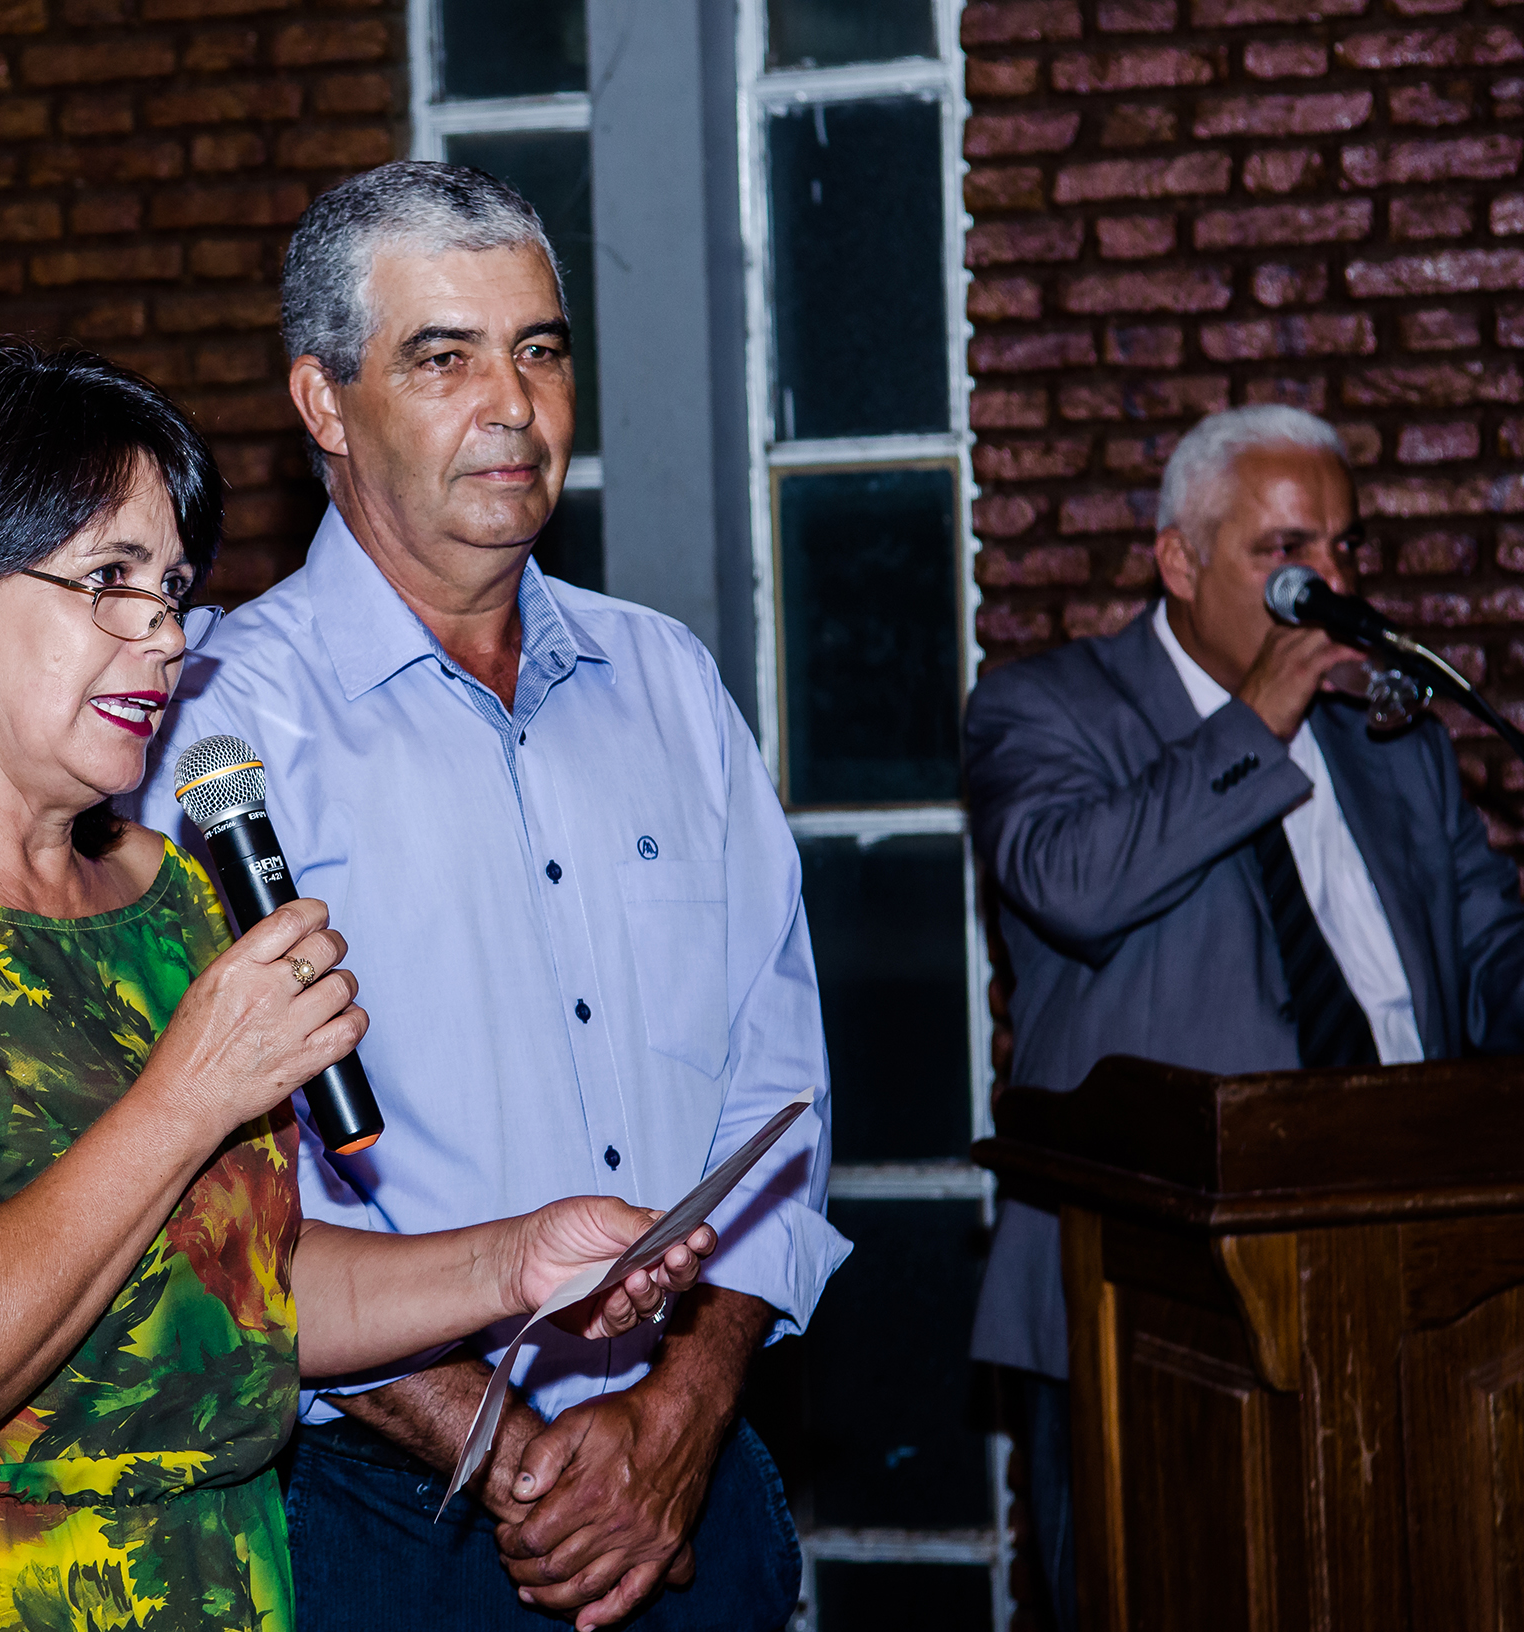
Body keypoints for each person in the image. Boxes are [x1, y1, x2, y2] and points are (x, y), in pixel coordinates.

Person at [0, 341, 721, 1632]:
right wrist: (189, 1091)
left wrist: (513, 1262)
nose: (163, 635)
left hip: (218, 1586)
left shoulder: (165, 893)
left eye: (171, 590)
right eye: (109, 581)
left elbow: (242, 1287)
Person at [125, 162, 847, 1632]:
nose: (512, 405)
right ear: (325, 405)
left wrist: (680, 1414)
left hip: (689, 1473)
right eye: (443, 358)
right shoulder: (210, 731)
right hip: (387, 1515)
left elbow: (779, 1096)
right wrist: (515, 1459)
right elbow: (209, 1202)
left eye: (540, 350)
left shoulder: (669, 683)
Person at [964, 403, 1524, 1629]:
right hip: (1154, 1305)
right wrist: (1252, 723)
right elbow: (1070, 886)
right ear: (1178, 561)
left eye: (1342, 548)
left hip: (1417, 1285)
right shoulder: (1045, 709)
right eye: (1285, 555)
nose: (1328, 587)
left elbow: (1490, 963)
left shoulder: (1392, 742)